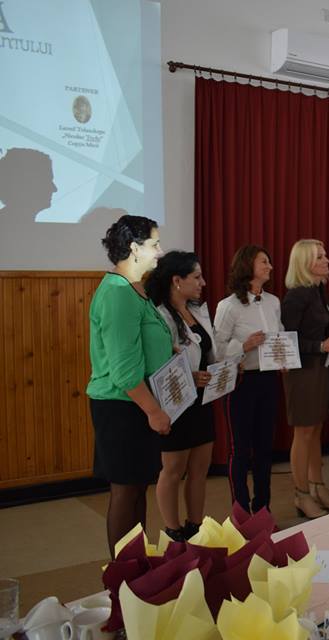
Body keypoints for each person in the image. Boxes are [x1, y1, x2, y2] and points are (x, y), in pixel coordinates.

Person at [86, 215, 170, 557]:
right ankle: (123, 573)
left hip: (136, 403)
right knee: (125, 491)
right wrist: (154, 411)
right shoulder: (118, 293)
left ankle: (138, 565)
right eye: (154, 244)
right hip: (122, 406)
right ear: (134, 248)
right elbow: (123, 371)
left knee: (136, 488)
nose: (160, 251)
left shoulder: (134, 288)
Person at [145, 251, 219, 541]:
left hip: (202, 399)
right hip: (175, 401)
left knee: (200, 468)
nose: (203, 283)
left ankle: (195, 526)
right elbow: (158, 363)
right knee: (173, 469)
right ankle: (173, 530)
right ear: (177, 280)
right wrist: (189, 376)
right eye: (196, 277)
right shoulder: (159, 316)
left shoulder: (197, 309)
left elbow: (209, 350)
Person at [281, 239, 329, 518]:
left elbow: (324, 327)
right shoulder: (296, 296)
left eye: (324, 255)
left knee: (315, 430)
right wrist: (321, 346)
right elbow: (288, 340)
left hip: (319, 368)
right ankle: (300, 495)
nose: (327, 260)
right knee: (303, 433)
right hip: (302, 372)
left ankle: (317, 486)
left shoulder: (316, 290)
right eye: (320, 257)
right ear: (305, 263)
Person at [214, 245, 282, 513]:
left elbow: (280, 335)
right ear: (247, 266)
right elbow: (216, 349)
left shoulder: (273, 302)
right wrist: (244, 346)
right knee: (240, 450)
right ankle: (240, 511)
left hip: (269, 380)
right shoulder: (229, 306)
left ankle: (263, 508)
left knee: (265, 448)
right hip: (241, 383)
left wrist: (284, 358)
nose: (270, 266)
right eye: (264, 262)